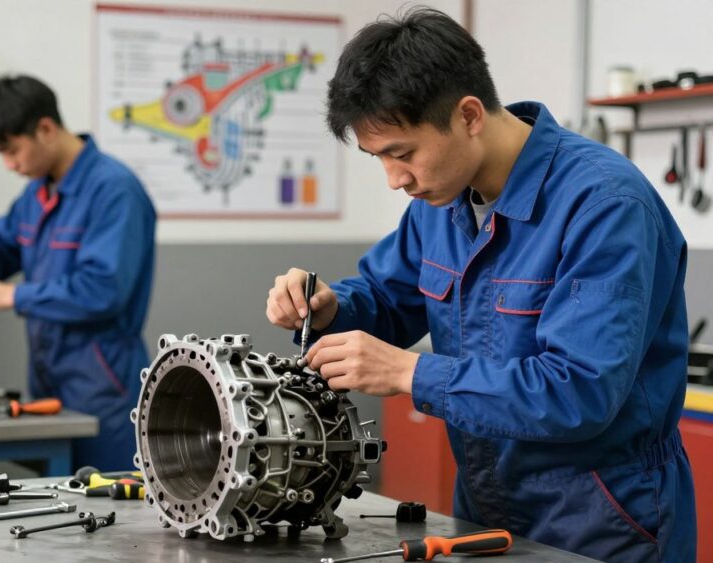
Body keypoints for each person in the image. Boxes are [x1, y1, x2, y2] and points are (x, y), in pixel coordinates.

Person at [266, 8, 695, 562]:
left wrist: (407, 372)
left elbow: (579, 391)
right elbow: (386, 298)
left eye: (403, 154)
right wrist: (328, 306)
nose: (395, 180)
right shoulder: (440, 201)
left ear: (468, 115)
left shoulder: (604, 204)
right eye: (380, 159)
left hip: (603, 520)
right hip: (484, 510)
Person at [0, 75, 156, 472]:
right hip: (50, 384)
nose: (9, 164)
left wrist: (10, 296)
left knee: (111, 513)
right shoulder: (37, 193)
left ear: (46, 129)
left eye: (12, 150)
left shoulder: (114, 191)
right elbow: (4, 245)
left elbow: (103, 290)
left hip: (105, 391)